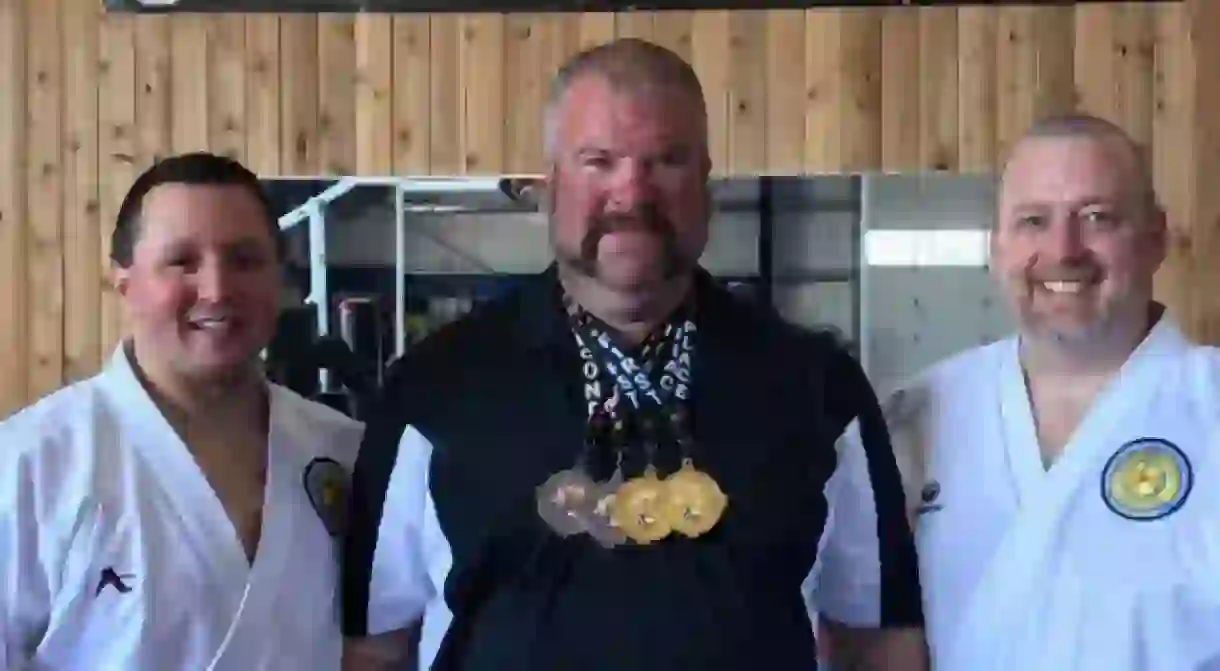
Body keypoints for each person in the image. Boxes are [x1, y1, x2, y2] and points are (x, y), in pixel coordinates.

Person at [340, 38, 926, 671]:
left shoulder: (816, 386)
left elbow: (880, 641)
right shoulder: (434, 389)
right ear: (551, 182)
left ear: (705, 182)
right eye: (599, 161)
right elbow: (375, 647)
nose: (632, 192)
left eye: (665, 160)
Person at [873, 114, 1220, 670]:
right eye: (1034, 220)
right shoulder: (915, 417)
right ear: (999, 249)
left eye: (1096, 217)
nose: (1065, 249)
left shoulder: (1212, 406)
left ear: (1156, 238)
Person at [0, 152, 364, 670]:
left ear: (278, 279)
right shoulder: (30, 465)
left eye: (244, 260)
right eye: (182, 261)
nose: (217, 291)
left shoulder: (345, 452)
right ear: (125, 283)